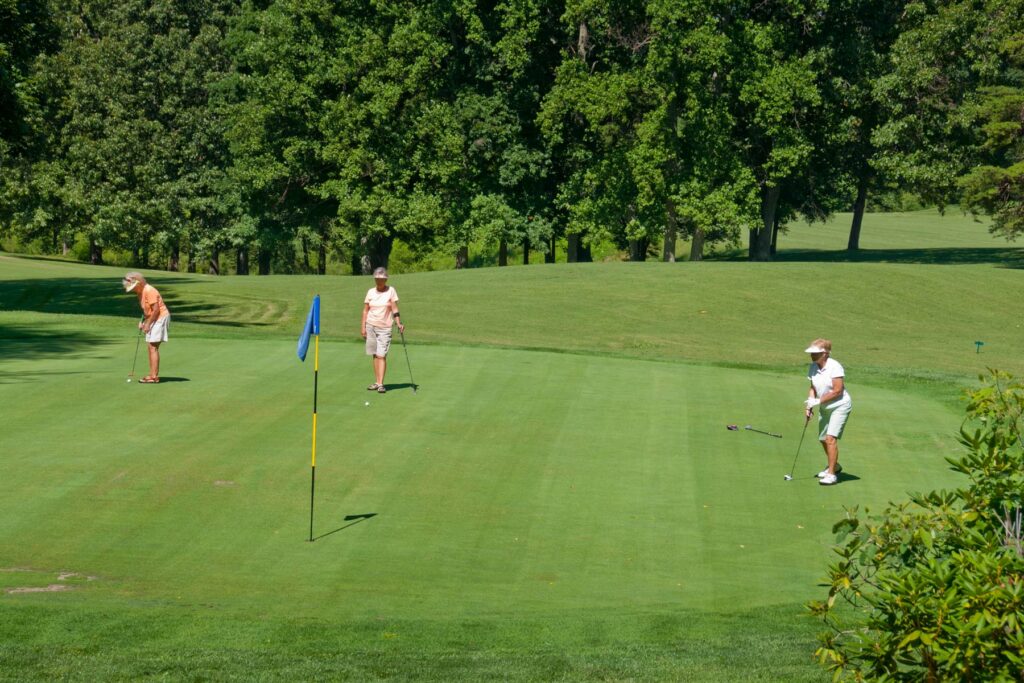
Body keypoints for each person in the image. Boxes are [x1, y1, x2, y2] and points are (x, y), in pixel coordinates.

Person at [803, 338, 852, 486]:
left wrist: (818, 401)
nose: (812, 355)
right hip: (825, 406)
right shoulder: (813, 367)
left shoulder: (835, 367)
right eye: (811, 353)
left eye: (815, 353)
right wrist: (809, 405)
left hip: (839, 406)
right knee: (823, 438)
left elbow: (838, 391)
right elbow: (813, 387)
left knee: (830, 438)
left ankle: (831, 474)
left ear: (825, 353)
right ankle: (835, 466)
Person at [361, 267, 404, 393]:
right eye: (377, 279)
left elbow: (395, 309)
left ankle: (380, 384)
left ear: (385, 279)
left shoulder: (391, 291)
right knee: (375, 354)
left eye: (381, 279)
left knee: (382, 355)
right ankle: (377, 382)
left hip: (384, 328)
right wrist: (362, 327)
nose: (379, 281)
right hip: (370, 326)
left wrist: (399, 323)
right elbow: (365, 310)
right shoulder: (370, 292)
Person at [122, 272, 170, 383]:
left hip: (160, 317)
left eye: (133, 287)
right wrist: (143, 321)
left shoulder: (149, 290)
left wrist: (148, 324)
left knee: (153, 346)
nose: (133, 290)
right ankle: (152, 374)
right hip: (154, 318)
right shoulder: (140, 292)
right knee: (150, 346)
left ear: (139, 283)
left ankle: (154, 377)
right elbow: (147, 310)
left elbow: (156, 310)